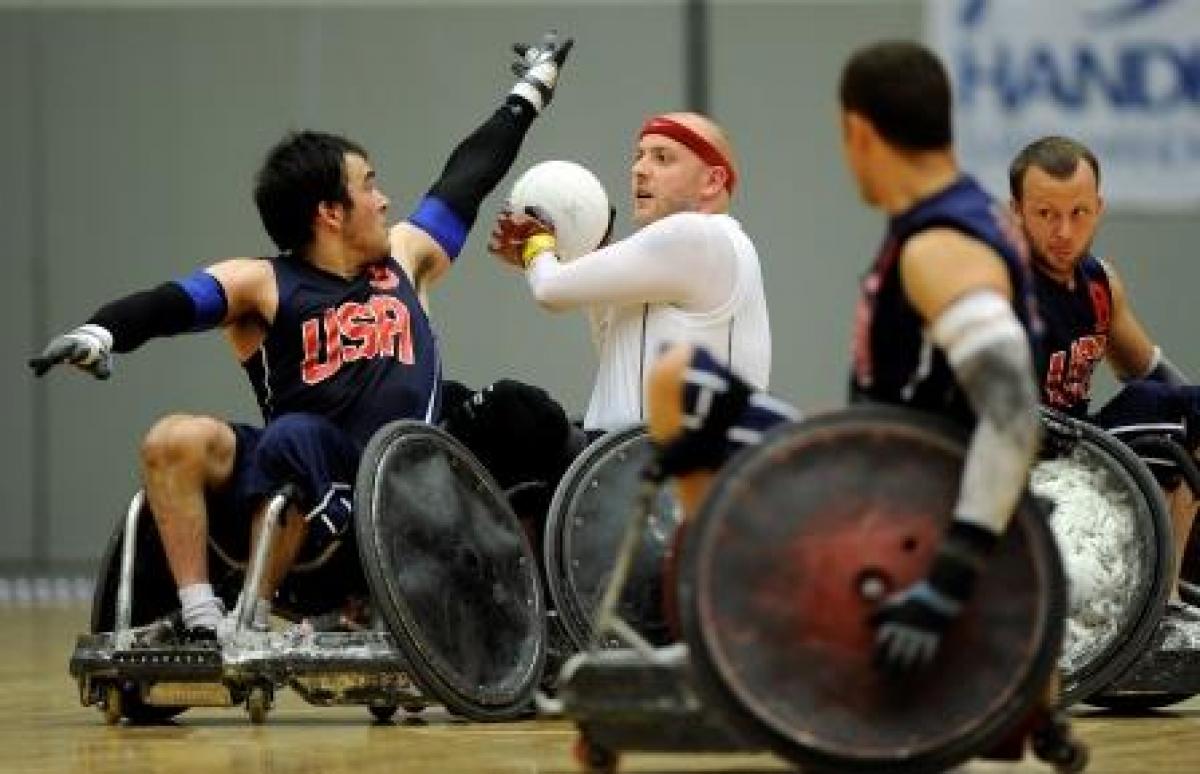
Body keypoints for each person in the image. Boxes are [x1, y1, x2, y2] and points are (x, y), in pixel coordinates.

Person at [28, 31, 574, 642]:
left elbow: (467, 175)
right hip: (292, 483)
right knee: (173, 438)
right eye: (369, 184)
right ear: (330, 212)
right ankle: (204, 614)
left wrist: (530, 90)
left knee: (305, 436)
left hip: (392, 488)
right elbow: (169, 303)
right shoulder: (262, 284)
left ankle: (252, 619)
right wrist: (101, 331)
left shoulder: (405, 259)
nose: (384, 198)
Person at [646, 40, 1044, 680]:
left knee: (677, 382)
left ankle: (730, 635)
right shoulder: (958, 216)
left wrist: (949, 580)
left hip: (906, 513)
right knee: (701, 390)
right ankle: (733, 627)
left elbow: (1015, 415)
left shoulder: (941, 247)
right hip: (891, 468)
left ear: (858, 132)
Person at [1009, 135, 1200, 616]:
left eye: (1079, 213)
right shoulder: (1000, 285)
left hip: (1082, 444)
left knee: (1171, 406)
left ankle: (1173, 585)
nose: (1064, 232)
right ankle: (1162, 603)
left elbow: (1149, 369)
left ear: (1099, 208)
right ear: (1016, 212)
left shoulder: (1101, 284)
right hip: (1022, 452)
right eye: (1046, 214)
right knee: (1159, 418)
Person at [487, 111, 771, 434]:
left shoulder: (699, 236)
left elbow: (549, 291)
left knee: (505, 407)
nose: (639, 170)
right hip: (630, 461)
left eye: (662, 158)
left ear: (712, 181)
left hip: (653, 467)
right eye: (639, 157)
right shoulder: (704, 248)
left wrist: (536, 242)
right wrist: (581, 254)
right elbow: (616, 360)